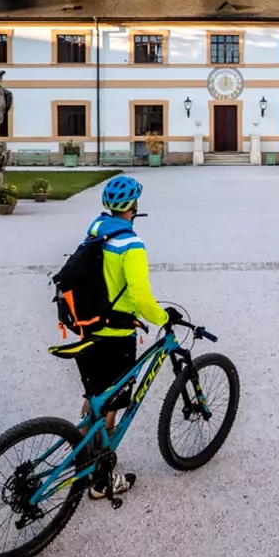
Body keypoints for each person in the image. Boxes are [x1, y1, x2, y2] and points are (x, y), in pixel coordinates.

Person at [74, 174, 177, 500]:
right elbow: (141, 296)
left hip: (86, 325)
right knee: (113, 401)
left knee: (95, 394)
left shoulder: (96, 230)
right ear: (133, 207)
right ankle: (101, 480)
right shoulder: (131, 245)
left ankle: (82, 456)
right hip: (116, 332)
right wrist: (162, 317)